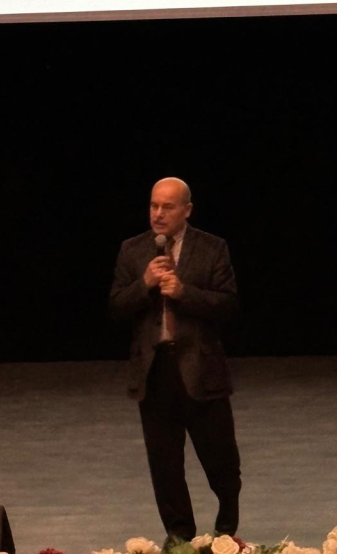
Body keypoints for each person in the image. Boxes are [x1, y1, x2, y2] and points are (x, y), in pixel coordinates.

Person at [109, 177, 241, 544]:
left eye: (167, 207)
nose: (158, 213)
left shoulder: (212, 248)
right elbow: (116, 307)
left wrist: (185, 293)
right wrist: (144, 284)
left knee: (220, 458)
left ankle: (227, 521)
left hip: (201, 367)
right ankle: (179, 534)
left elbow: (228, 305)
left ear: (187, 210)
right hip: (154, 371)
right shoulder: (132, 250)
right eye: (153, 205)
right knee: (164, 463)